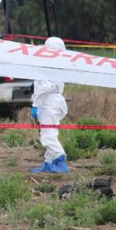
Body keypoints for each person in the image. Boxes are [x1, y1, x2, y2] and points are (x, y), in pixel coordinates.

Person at [31, 36, 70, 173]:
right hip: (54, 101)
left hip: (49, 102)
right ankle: (48, 162)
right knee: (51, 132)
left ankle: (60, 159)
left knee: (47, 136)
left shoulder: (49, 66)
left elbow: (43, 88)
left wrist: (35, 104)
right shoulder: (60, 64)